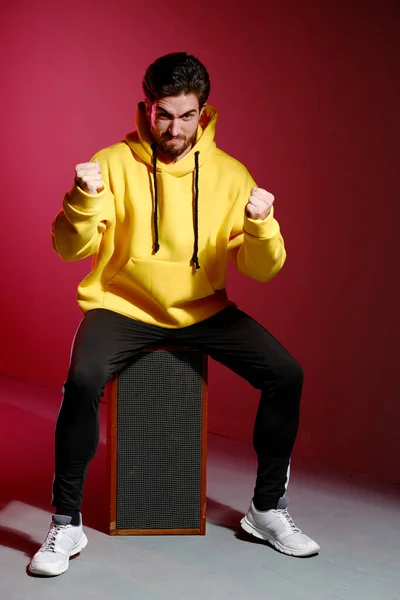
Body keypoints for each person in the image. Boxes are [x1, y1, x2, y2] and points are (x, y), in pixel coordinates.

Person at [29, 52, 320, 577]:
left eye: (187, 115)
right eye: (164, 113)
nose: (175, 127)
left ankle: (267, 510)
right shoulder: (113, 162)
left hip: (203, 309)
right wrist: (83, 198)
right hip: (122, 305)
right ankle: (65, 521)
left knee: (286, 374)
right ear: (147, 107)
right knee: (83, 378)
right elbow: (67, 249)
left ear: (203, 112)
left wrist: (261, 224)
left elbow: (264, 268)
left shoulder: (230, 175)